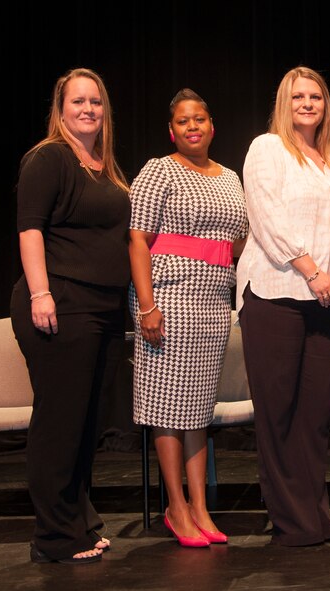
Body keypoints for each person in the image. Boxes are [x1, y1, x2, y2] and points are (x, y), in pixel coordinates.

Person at [11, 67, 130, 564]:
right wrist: (41, 294)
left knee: (87, 423)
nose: (88, 110)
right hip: (61, 304)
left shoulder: (104, 164)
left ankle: (78, 521)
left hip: (103, 309)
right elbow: (31, 229)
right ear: (60, 109)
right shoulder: (49, 158)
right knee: (61, 422)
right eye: (78, 101)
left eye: (96, 102)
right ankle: (54, 536)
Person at [237, 66, 330, 546]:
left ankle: (314, 515)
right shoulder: (267, 149)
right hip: (276, 294)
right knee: (280, 411)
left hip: (326, 299)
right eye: (298, 97)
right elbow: (267, 219)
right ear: (283, 104)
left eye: (316, 97)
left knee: (313, 415)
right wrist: (313, 272)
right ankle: (293, 522)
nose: (308, 104)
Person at [128, 89, 248, 548]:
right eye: (183, 121)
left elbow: (238, 239)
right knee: (166, 408)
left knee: (197, 410)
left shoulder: (230, 177)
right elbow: (138, 240)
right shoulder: (159, 170)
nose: (192, 126)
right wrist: (146, 305)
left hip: (215, 301)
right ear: (172, 130)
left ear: (212, 126)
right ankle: (176, 507)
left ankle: (200, 506)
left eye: (199, 119)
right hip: (169, 297)